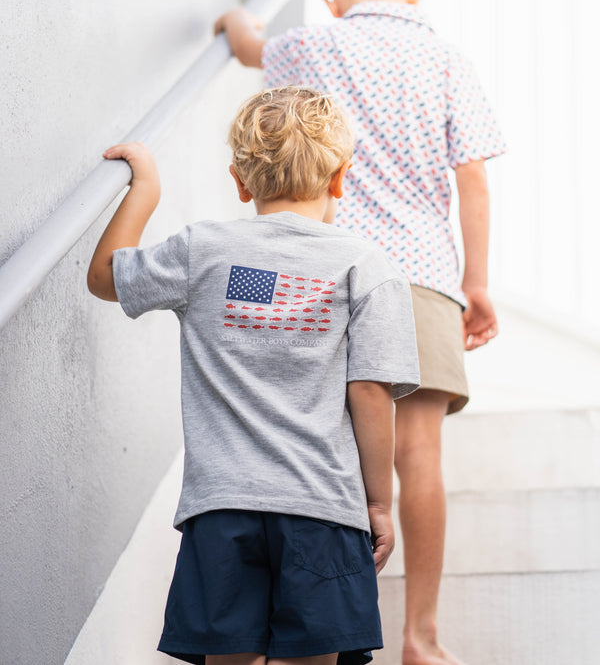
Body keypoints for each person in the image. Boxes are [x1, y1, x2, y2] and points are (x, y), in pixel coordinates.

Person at [214, 0, 506, 665]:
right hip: (422, 274)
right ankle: (422, 636)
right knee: (419, 453)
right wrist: (476, 281)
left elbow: (253, 46)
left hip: (328, 274)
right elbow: (472, 174)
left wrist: (231, 21)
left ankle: (326, 625)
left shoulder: (309, 44)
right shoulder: (446, 56)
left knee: (329, 447)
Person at [87, 86, 421, 665]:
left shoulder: (202, 250)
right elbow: (369, 392)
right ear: (342, 176)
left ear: (240, 181)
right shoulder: (366, 266)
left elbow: (105, 278)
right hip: (322, 508)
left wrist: (146, 190)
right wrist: (380, 504)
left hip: (222, 509)